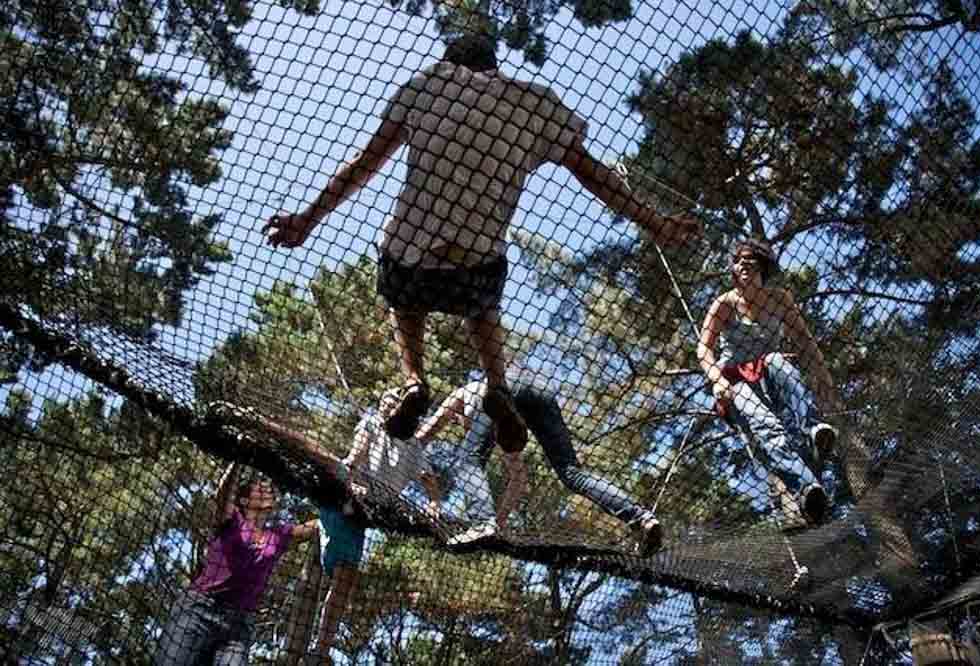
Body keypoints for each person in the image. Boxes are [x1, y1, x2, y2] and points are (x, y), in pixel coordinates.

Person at [263, 33, 701, 450]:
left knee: (402, 297)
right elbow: (593, 173)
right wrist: (653, 221)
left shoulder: (427, 85)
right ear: (494, 65)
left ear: (449, 61)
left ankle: (415, 379)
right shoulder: (535, 103)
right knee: (483, 304)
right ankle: (497, 386)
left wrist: (309, 219)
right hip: (477, 257)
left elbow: (365, 163)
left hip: (411, 249)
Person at [220, 395, 438, 664]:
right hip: (346, 487)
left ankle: (320, 650)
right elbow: (356, 455)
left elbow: (429, 481)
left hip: (365, 515)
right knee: (314, 451)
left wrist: (434, 503)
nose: (392, 403)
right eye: (387, 399)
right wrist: (353, 479)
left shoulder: (413, 445)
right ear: (381, 406)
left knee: (346, 578)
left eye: (397, 400)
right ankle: (252, 421)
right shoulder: (372, 424)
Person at [415, 368, 664, 557]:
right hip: (540, 389)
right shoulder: (504, 434)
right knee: (572, 473)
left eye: (462, 424)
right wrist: (498, 524)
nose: (468, 429)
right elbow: (518, 479)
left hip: (503, 387)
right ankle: (642, 518)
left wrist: (402, 438)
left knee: (466, 458)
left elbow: (424, 434)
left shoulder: (466, 393)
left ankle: (480, 522)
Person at [696, 239, 842, 527]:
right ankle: (807, 487)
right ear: (733, 269)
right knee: (769, 430)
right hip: (737, 381)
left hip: (772, 374)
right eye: (738, 260)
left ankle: (814, 429)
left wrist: (823, 376)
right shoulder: (724, 303)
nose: (743, 263)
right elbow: (703, 349)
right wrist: (716, 380)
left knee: (776, 360)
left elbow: (804, 341)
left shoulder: (780, 299)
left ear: (763, 264)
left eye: (750, 258)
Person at [153, 464, 318, 665]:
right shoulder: (232, 520)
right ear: (244, 500)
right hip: (199, 611)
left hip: (238, 626)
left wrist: (340, 504)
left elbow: (316, 526)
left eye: (268, 489)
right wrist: (237, 461)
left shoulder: (277, 535)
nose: (267, 491)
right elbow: (223, 493)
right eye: (259, 488)